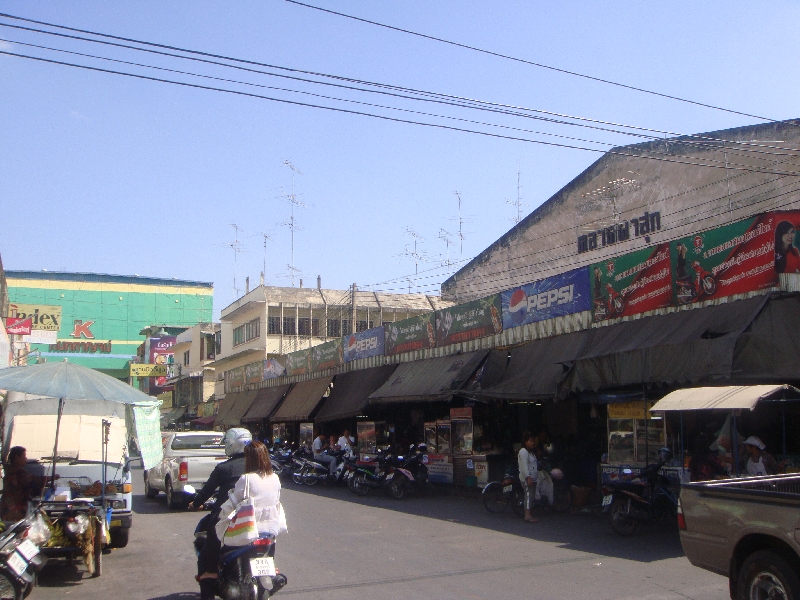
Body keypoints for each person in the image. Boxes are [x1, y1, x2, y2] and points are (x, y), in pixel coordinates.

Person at [189, 428, 251, 595]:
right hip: (257, 519)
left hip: (226, 519)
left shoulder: (224, 468)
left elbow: (207, 491)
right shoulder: (260, 467)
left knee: (206, 557)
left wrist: (195, 504)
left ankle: (208, 591)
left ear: (232, 444)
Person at [215, 441, 285, 541]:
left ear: (249, 459)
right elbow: (276, 501)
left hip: (249, 531)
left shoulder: (247, 479)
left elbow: (233, 502)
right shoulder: (275, 477)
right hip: (271, 530)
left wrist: (221, 514)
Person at [0, 447, 48, 521]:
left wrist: (50, 478)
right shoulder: (13, 474)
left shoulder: (19, 472)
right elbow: (8, 495)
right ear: (17, 457)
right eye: (24, 456)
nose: (26, 459)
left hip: (18, 509)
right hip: (13, 512)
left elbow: (34, 479)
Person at [517, 432, 538, 523]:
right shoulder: (523, 452)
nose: (532, 443)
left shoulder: (531, 453)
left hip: (533, 478)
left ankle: (529, 513)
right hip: (527, 478)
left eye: (533, 441)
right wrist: (528, 477)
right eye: (530, 441)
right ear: (525, 442)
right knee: (528, 496)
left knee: (532, 496)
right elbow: (524, 466)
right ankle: (527, 515)